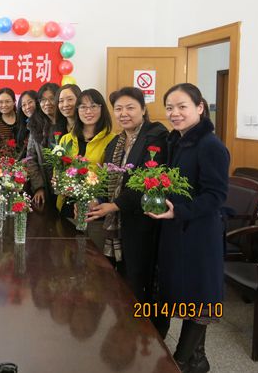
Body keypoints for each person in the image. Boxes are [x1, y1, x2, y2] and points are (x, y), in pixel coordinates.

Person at [148, 83, 229, 372]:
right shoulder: (178, 141)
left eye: (182, 106)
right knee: (184, 294)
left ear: (200, 107)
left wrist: (179, 211)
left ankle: (181, 361)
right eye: (170, 107)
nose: (175, 113)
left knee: (197, 296)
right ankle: (198, 359)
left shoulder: (210, 146)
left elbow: (216, 195)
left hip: (199, 235)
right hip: (177, 229)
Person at [85, 87, 168, 310]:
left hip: (143, 219)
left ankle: (143, 326)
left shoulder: (156, 137)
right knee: (122, 277)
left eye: (130, 108)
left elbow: (147, 181)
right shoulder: (116, 142)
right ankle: (125, 321)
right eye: (118, 109)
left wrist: (114, 205)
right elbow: (106, 179)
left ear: (143, 109)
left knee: (139, 279)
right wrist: (97, 200)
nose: (124, 113)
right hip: (120, 221)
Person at [57, 89, 115, 212]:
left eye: (93, 106)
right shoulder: (66, 139)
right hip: (66, 203)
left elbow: (111, 179)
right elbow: (58, 170)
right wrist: (60, 182)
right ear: (77, 110)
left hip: (95, 206)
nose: (88, 111)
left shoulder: (112, 140)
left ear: (102, 109)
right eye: (83, 107)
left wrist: (94, 199)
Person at [25, 83, 62, 207]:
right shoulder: (35, 125)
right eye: (43, 100)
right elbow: (30, 158)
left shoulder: (68, 124)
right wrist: (38, 187)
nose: (47, 103)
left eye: (52, 98)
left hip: (66, 188)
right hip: (45, 186)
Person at [16, 90, 38, 157]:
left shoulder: (44, 124)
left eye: (30, 102)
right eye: (24, 105)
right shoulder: (26, 126)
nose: (27, 107)